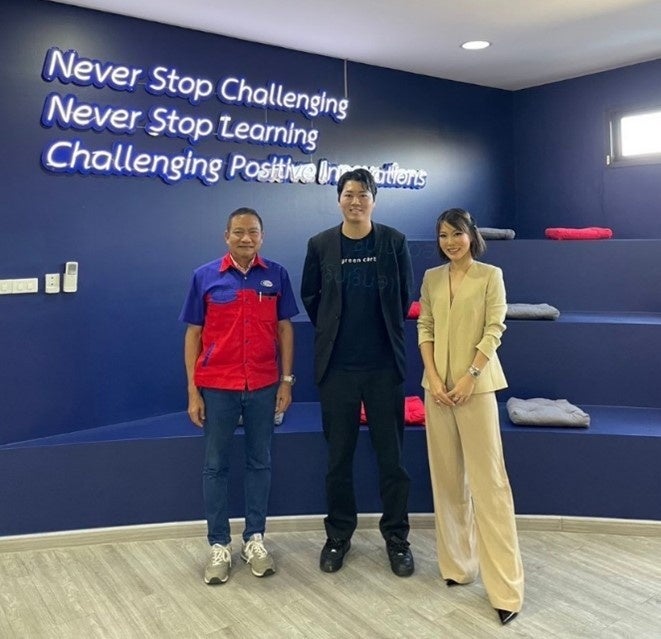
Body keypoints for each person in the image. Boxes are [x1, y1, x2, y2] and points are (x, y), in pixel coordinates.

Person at [301, 168, 415, 577]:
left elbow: (404, 296)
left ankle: (397, 539)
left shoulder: (393, 242)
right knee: (338, 460)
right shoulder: (320, 244)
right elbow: (311, 297)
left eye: (363, 194)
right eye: (349, 194)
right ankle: (338, 536)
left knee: (392, 460)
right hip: (337, 370)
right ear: (339, 199)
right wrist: (334, 330)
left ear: (373, 200)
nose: (355, 201)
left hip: (384, 368)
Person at [180, 206, 299, 585]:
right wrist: (193, 391)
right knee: (215, 466)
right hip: (217, 387)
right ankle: (218, 544)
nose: (246, 238)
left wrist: (286, 381)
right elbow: (193, 335)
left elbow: (285, 329)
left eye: (253, 232)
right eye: (238, 232)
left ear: (262, 236)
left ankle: (254, 539)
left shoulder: (276, 275)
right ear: (226, 236)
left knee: (259, 462)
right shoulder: (204, 277)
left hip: (263, 385)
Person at [417, 207, 524, 625]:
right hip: (436, 391)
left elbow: (495, 329)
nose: (450, 242)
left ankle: (507, 591)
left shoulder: (490, 276)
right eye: (443, 235)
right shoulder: (431, 278)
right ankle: (458, 566)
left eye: (456, 234)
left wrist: (469, 377)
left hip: (475, 390)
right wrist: (432, 377)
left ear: (471, 235)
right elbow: (425, 326)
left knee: (490, 485)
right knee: (447, 481)